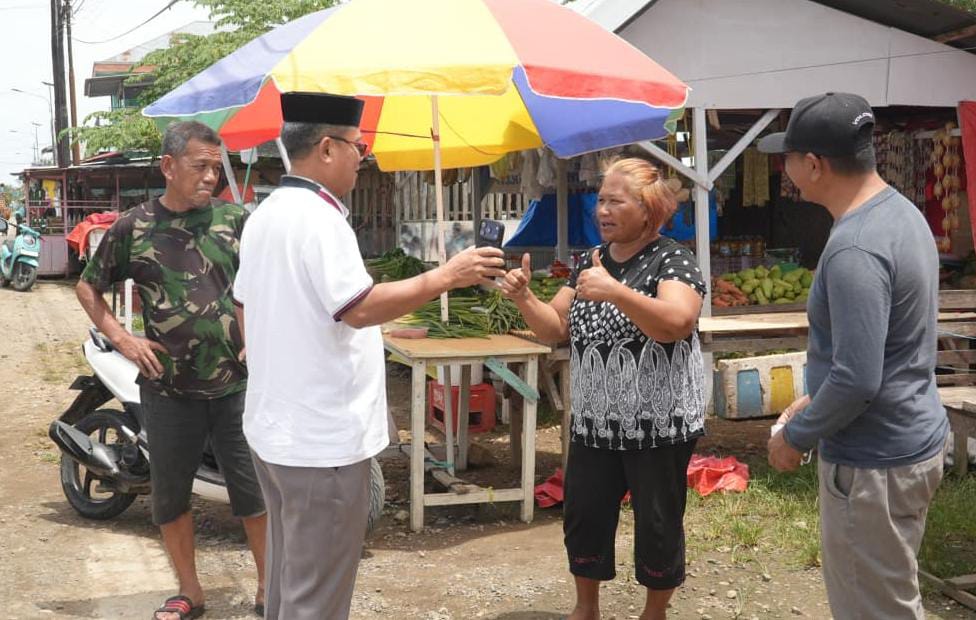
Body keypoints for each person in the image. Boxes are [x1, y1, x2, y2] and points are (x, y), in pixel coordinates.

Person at [232, 92, 506, 620]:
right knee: (317, 597)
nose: (365, 158)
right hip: (319, 443)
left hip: (276, 428)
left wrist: (270, 356)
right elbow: (357, 307)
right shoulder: (318, 218)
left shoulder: (266, 213)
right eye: (359, 147)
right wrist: (446, 275)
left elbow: (244, 302)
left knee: (292, 579)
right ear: (328, 149)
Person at [760, 92, 948, 619]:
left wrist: (794, 438)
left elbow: (859, 378)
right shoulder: (901, 214)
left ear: (814, 165)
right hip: (910, 435)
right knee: (889, 593)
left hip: (874, 459)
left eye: (789, 157)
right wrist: (814, 402)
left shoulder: (854, 248)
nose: (787, 167)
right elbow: (888, 352)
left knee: (875, 609)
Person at [500, 157, 707, 620]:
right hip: (595, 421)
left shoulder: (672, 259)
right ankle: (586, 608)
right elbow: (555, 328)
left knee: (657, 522)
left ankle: (654, 613)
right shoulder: (587, 263)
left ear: (649, 208)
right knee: (585, 517)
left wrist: (617, 292)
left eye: (616, 201)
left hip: (658, 423)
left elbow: (677, 322)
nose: (603, 210)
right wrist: (524, 298)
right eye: (601, 201)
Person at [76, 121, 266, 620]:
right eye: (200, 166)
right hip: (168, 389)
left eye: (215, 167)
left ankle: (272, 589)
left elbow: (267, 286)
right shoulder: (134, 228)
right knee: (170, 494)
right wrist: (123, 339)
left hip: (238, 386)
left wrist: (261, 340)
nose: (211, 177)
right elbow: (89, 287)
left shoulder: (236, 220)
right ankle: (190, 591)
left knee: (254, 491)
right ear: (168, 166)